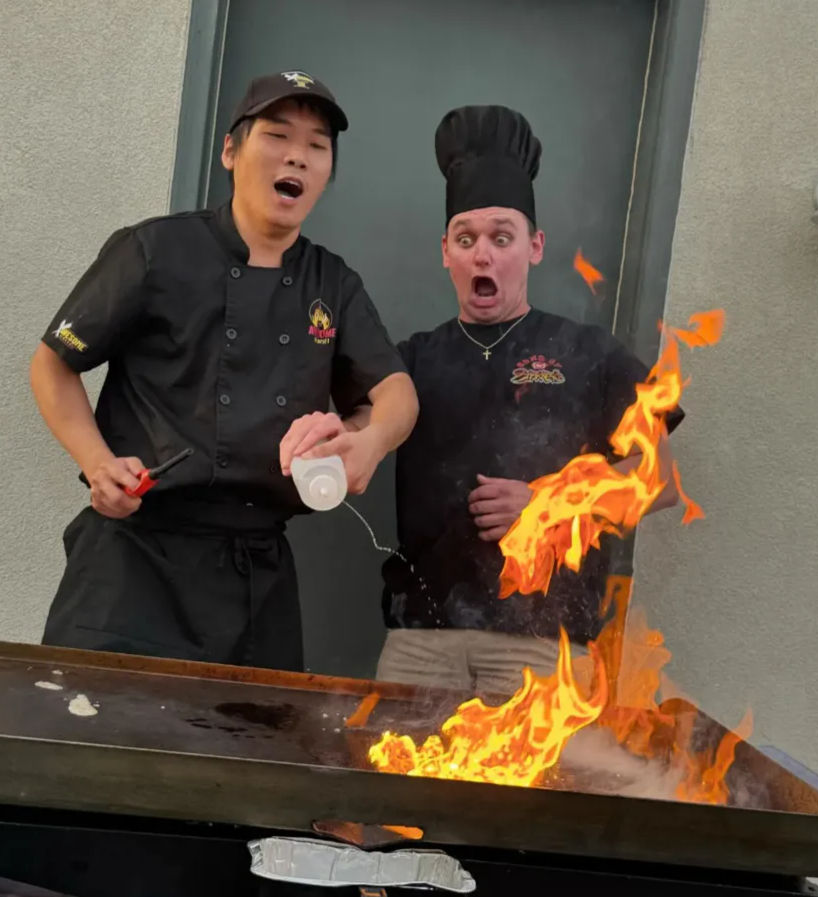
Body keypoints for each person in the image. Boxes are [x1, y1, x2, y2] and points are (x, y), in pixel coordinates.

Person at [30, 70, 417, 671]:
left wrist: (369, 441)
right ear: (231, 151)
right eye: (278, 135)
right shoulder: (155, 252)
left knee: (249, 756)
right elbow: (54, 364)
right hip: (135, 562)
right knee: (101, 746)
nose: (298, 155)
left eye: (317, 146)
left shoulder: (331, 284)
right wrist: (97, 462)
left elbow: (395, 391)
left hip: (255, 575)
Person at [376, 105, 678, 696]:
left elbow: (661, 480)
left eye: (501, 238)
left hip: (544, 649)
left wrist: (551, 504)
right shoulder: (409, 360)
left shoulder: (590, 353)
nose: (482, 254)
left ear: (535, 246)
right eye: (466, 239)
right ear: (445, 252)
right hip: (419, 646)